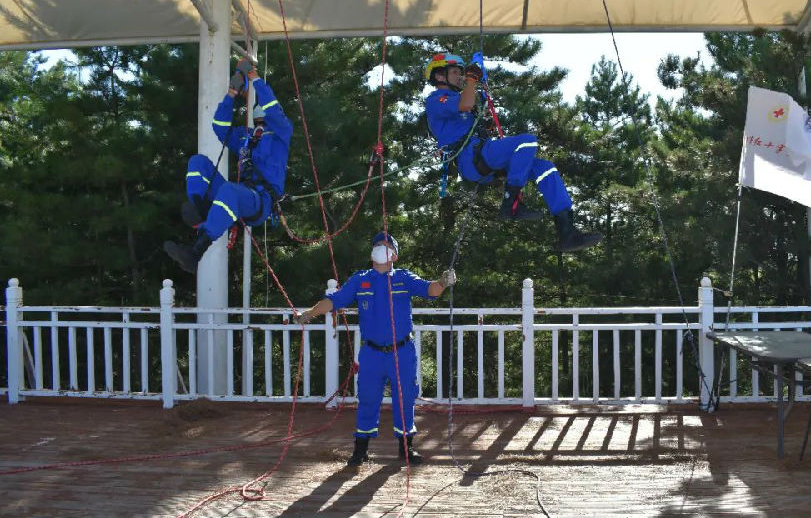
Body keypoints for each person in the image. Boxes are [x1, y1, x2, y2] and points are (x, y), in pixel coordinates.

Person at [296, 232, 456, 467]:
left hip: (402, 351)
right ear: (372, 253)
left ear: (395, 255)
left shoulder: (404, 278)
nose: (381, 247)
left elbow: (430, 290)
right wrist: (309, 313)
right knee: (368, 399)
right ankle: (360, 450)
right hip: (371, 353)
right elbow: (334, 301)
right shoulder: (360, 280)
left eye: (387, 245)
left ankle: (406, 448)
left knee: (405, 399)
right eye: (378, 244)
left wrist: (442, 282)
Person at [424, 53, 602, 252]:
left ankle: (566, 231)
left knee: (545, 168)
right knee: (527, 141)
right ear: (439, 76)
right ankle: (511, 203)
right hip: (470, 158)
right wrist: (472, 81)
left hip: (483, 154)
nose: (461, 76)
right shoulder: (436, 99)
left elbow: (471, 106)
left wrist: (484, 117)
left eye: (461, 73)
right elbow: (466, 104)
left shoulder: (459, 98)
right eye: (455, 72)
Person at [164, 59, 293, 273]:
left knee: (229, 190)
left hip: (260, 200)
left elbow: (273, 110)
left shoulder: (281, 134)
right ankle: (204, 212)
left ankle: (196, 252)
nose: (260, 124)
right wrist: (231, 94)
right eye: (258, 121)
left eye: (263, 121)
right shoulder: (246, 137)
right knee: (198, 163)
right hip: (240, 195)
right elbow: (220, 127)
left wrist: (256, 79)